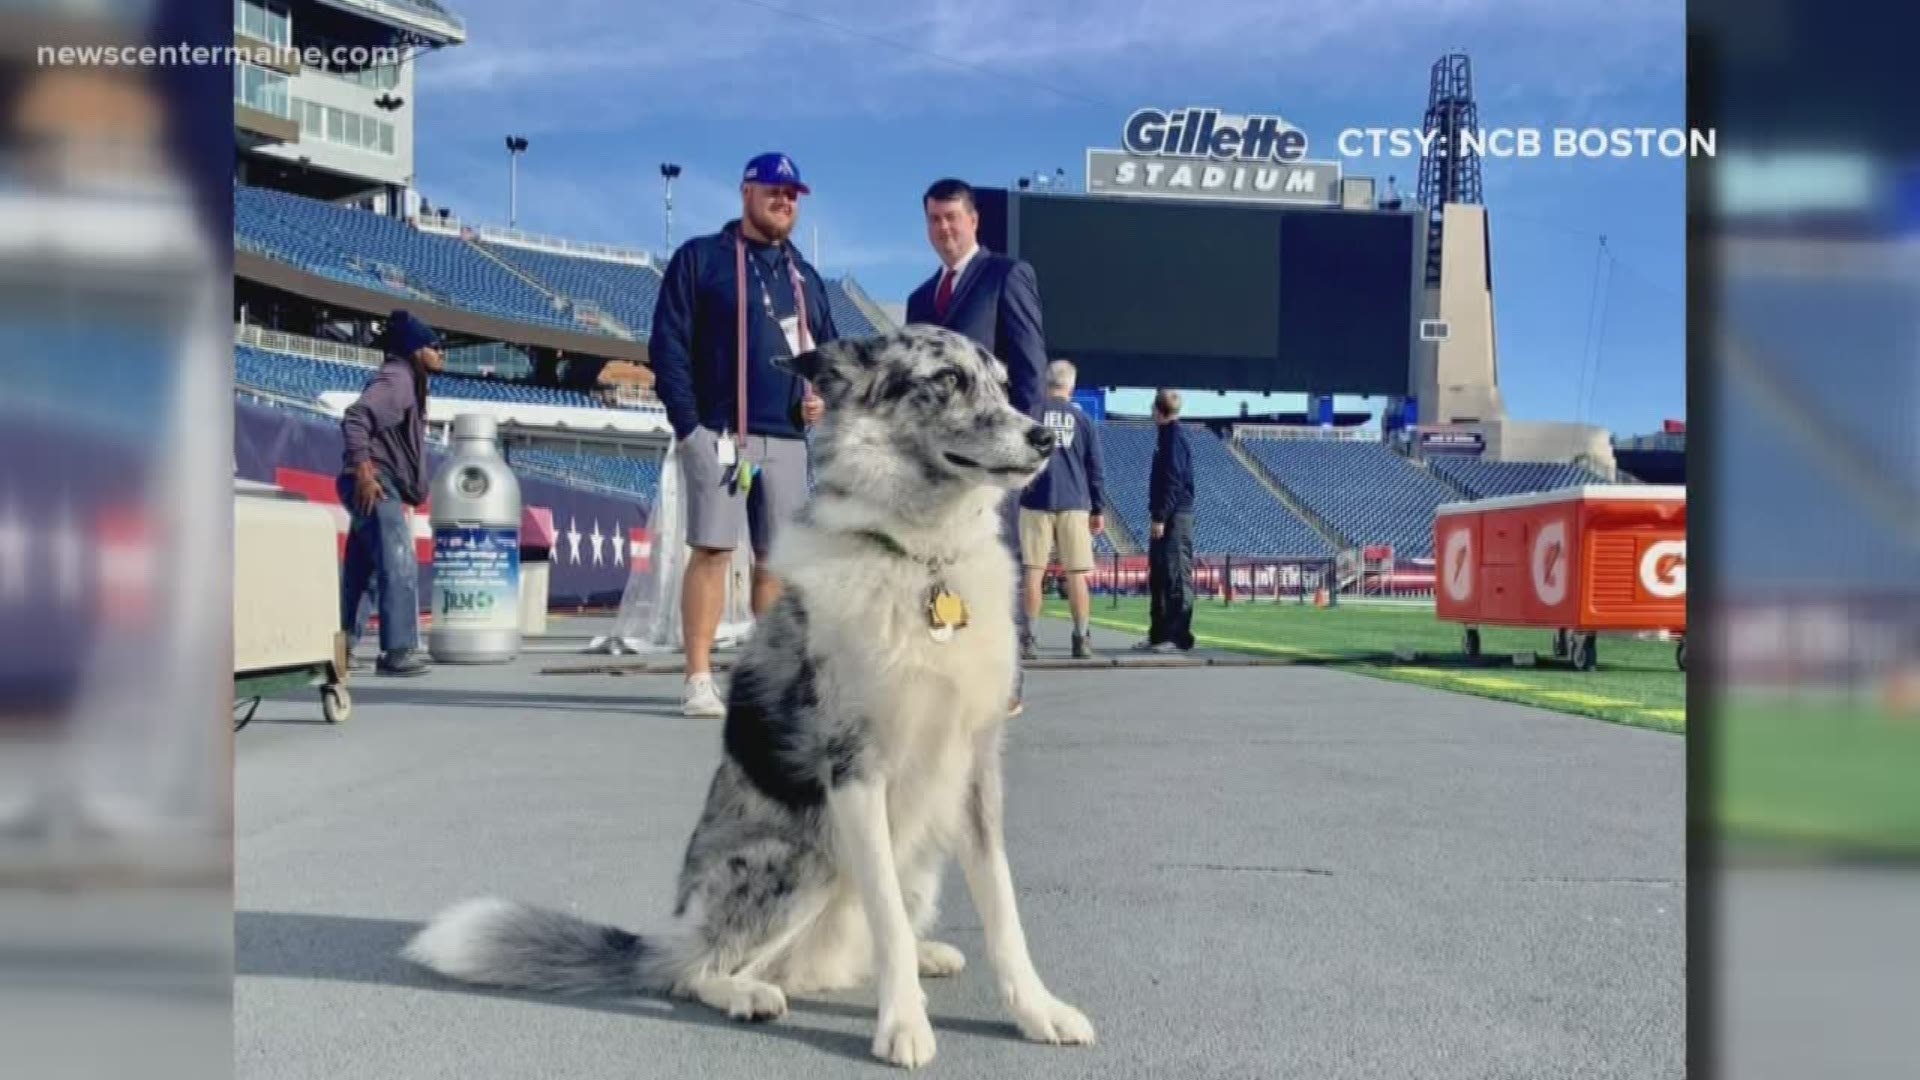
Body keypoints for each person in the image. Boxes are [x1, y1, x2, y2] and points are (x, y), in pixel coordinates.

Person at [650, 151, 836, 718]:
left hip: (784, 438)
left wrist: (823, 396)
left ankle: (767, 681)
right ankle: (699, 677)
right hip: (719, 431)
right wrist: (688, 428)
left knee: (776, 561)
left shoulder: (804, 276)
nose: (783, 202)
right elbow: (668, 347)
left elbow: (829, 354)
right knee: (711, 550)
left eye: (792, 196)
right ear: (746, 193)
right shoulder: (701, 259)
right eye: (773, 192)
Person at [906, 177, 1047, 715]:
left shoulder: (1006, 276)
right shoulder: (922, 297)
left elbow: (1031, 369)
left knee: (992, 562)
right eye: (934, 220)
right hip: (939, 462)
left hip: (992, 458)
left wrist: (1018, 451)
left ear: (974, 220)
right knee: (939, 565)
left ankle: (1005, 678)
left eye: (952, 218)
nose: (943, 229)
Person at [338, 309, 444, 677]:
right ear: (416, 349)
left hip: (373, 481)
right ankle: (398, 650)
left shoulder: (406, 380)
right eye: (434, 345)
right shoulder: (398, 378)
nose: (440, 352)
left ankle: (340, 647)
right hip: (375, 482)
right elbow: (356, 418)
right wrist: (366, 473)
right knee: (398, 561)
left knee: (361, 571)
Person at [1019, 360, 1105, 660]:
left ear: (1046, 383)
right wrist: (1099, 508)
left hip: (1035, 500)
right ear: (1071, 385)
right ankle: (1081, 638)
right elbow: (1095, 467)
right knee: (1077, 574)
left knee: (1033, 571)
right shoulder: (1083, 420)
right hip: (1074, 501)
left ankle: (1028, 638)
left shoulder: (1031, 415)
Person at [1140, 389, 1197, 652]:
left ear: (1158, 410)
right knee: (1160, 575)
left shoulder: (1174, 438)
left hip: (1175, 517)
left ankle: (1179, 637)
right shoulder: (1165, 438)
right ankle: (1159, 634)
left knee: (1176, 575)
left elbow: (1173, 482)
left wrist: (1161, 516)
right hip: (1165, 515)